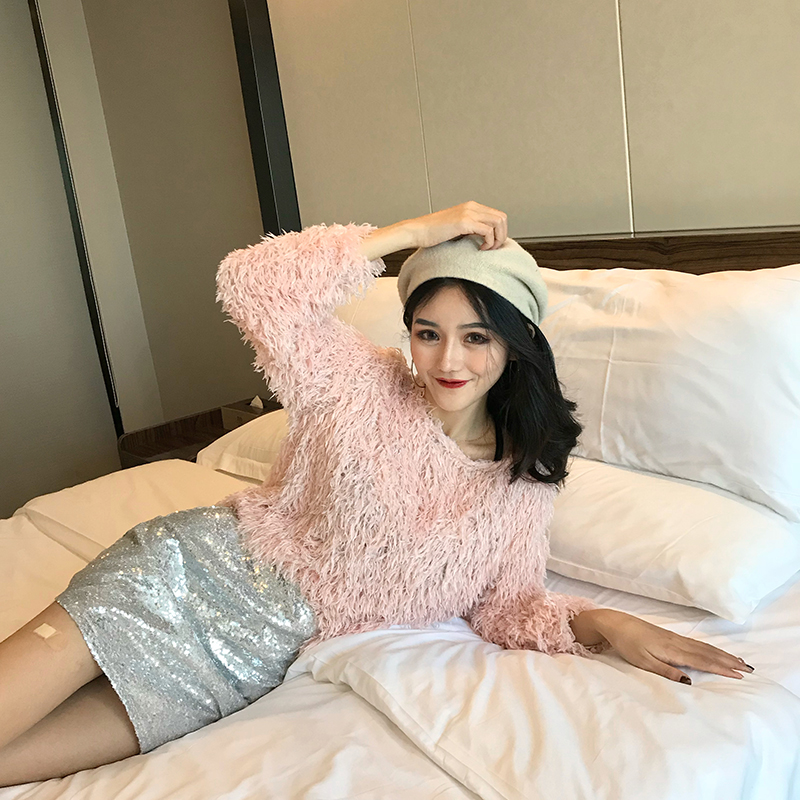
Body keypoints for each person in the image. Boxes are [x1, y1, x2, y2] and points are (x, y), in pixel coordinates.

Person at [0, 201, 754, 786]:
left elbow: (508, 606)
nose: (448, 360)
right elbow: (252, 282)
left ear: (517, 342)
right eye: (428, 332)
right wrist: (419, 233)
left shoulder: (521, 481)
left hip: (242, 666)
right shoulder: (357, 383)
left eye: (477, 337)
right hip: (183, 575)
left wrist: (605, 622)